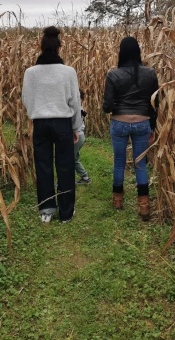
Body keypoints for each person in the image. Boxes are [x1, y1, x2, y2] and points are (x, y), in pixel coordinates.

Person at [22, 26, 81, 223]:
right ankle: (66, 213)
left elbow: (26, 98)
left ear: (42, 46)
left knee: (43, 165)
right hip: (63, 122)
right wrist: (75, 127)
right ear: (59, 48)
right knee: (65, 166)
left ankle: (46, 210)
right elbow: (75, 101)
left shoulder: (30, 73)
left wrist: (34, 113)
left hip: (40, 123)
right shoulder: (68, 72)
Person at [102, 36, 159, 220]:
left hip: (119, 122)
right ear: (138, 52)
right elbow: (155, 103)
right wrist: (153, 127)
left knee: (119, 162)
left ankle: (118, 201)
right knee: (140, 164)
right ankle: (144, 207)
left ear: (121, 53)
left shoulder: (113, 75)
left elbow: (107, 106)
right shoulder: (150, 73)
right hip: (143, 122)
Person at [74, 90, 91, 184]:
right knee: (74, 158)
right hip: (80, 136)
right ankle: (85, 177)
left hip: (78, 136)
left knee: (71, 159)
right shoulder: (78, 108)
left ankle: (85, 177)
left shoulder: (77, 109)